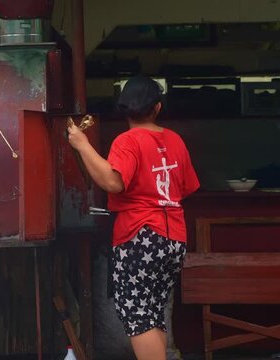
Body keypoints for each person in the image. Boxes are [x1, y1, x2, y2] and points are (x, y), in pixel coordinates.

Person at [68, 76, 199, 360]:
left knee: (137, 314)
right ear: (158, 108)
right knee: (154, 312)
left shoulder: (127, 141)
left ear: (124, 109)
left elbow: (114, 182)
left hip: (140, 238)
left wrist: (81, 145)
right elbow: (186, 188)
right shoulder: (174, 140)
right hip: (173, 237)